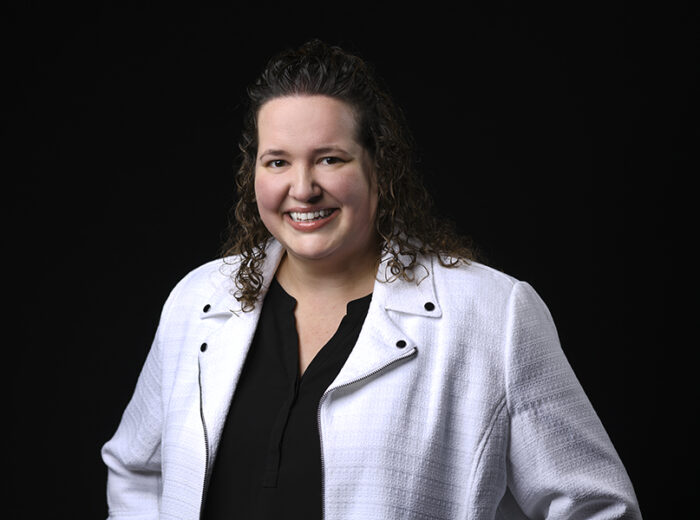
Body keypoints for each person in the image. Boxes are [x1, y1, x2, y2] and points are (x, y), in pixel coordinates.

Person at [101, 40, 642, 519]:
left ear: (378, 167)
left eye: (329, 159)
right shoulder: (197, 299)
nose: (303, 188)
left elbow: (596, 507)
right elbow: (136, 470)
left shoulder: (492, 315)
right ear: (253, 174)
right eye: (278, 162)